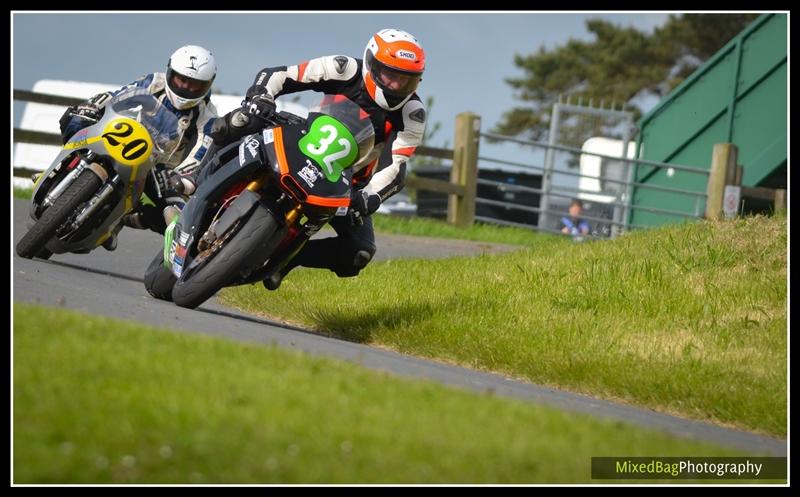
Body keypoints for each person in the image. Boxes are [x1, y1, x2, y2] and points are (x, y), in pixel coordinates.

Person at [197, 28, 427, 290]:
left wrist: (369, 197)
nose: (396, 85)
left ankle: (288, 259)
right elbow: (280, 75)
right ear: (371, 63)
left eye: (406, 80)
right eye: (390, 75)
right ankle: (196, 182)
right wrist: (261, 96)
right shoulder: (344, 68)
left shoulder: (412, 113)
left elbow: (396, 167)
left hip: (344, 182)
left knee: (359, 251)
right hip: (300, 139)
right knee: (237, 123)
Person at [57, 44, 219, 248]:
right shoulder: (155, 82)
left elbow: (199, 153)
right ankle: (61, 167)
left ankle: (122, 220)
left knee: (179, 216)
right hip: (125, 136)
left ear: (208, 84)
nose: (186, 88)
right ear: (170, 72)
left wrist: (180, 175)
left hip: (159, 167)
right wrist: (93, 107)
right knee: (75, 118)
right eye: (182, 79)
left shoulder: (208, 116)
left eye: (194, 84)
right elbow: (121, 96)